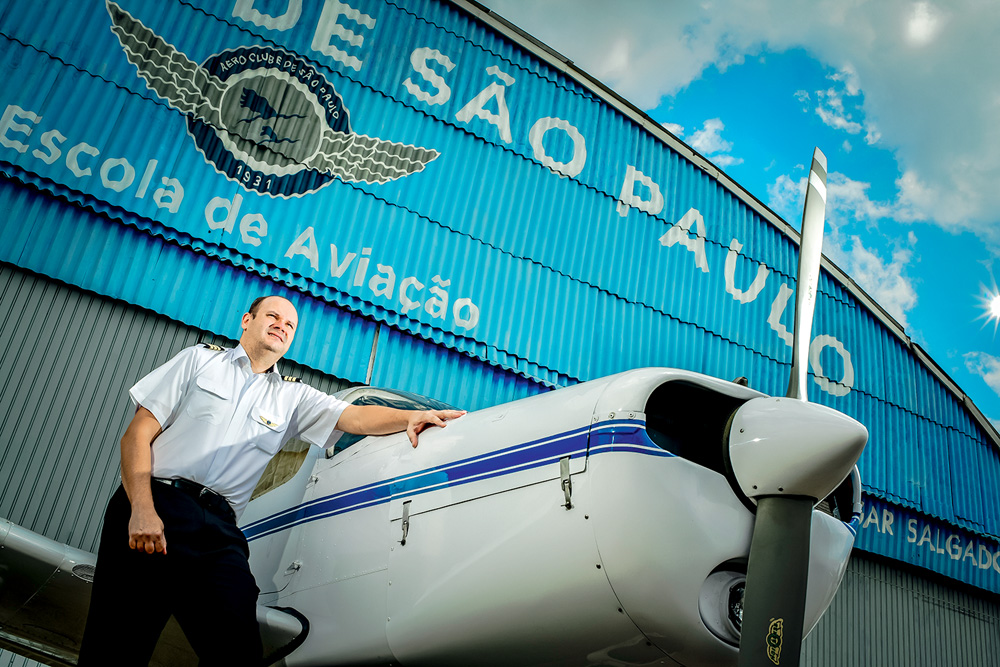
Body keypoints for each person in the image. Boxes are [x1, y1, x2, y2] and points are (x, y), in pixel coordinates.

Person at [78, 295, 465, 666]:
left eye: (290, 325)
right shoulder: (197, 361)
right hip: (159, 503)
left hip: (219, 530)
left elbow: (355, 418)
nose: (282, 326)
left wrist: (408, 418)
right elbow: (136, 435)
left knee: (238, 651)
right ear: (247, 321)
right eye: (273, 317)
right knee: (116, 648)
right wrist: (142, 509)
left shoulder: (292, 397)